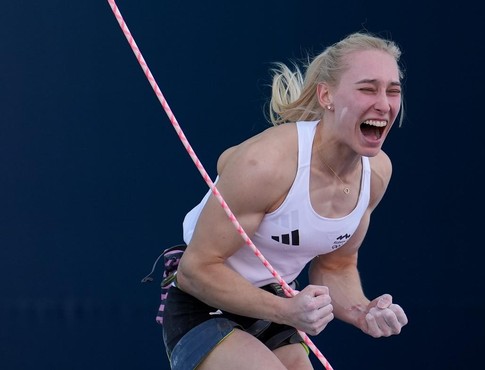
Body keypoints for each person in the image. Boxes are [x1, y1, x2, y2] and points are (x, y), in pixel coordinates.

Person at [162, 31, 409, 370]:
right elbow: (195, 271)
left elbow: (336, 266)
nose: (384, 104)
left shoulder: (377, 173)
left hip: (274, 307)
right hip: (203, 303)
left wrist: (363, 312)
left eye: (392, 91)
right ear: (327, 95)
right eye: (368, 89)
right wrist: (286, 311)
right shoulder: (266, 164)